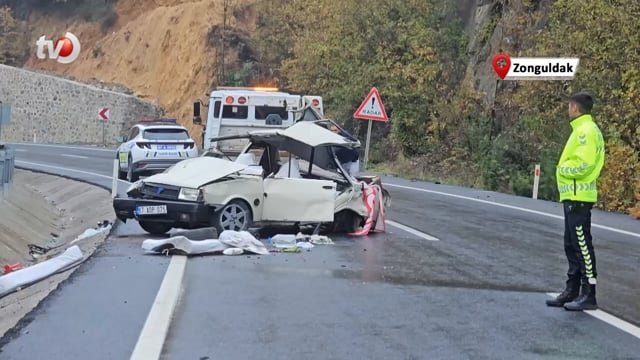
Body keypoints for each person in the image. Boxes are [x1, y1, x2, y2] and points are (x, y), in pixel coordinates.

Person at [546, 92, 606, 311]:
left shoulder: (585, 132)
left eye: (569, 105)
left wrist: (563, 170)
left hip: (578, 196)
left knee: (582, 245)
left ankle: (589, 293)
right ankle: (572, 290)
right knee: (571, 244)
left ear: (575, 107)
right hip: (573, 195)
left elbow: (586, 163)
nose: (568, 109)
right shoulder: (583, 129)